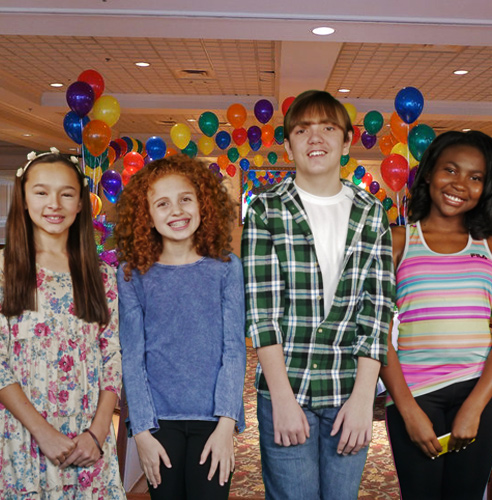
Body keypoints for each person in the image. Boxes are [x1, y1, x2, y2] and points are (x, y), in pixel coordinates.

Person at [241, 90, 395, 500]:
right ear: (288, 143)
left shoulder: (371, 211)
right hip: (286, 388)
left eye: (328, 128)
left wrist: (365, 399)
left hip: (349, 390)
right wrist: (282, 399)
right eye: (302, 129)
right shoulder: (266, 210)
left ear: (346, 142)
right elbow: (262, 314)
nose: (315, 138)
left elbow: (377, 309)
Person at [115, 155, 246, 500]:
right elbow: (132, 356)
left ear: (203, 204)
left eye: (185, 199)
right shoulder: (132, 274)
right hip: (158, 424)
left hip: (214, 420)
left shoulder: (227, 268)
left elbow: (234, 350)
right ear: (146, 214)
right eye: (162, 203)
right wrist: (141, 431)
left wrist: (226, 424)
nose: (176, 211)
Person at [380, 130, 492, 500]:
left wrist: (475, 407)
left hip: (479, 391)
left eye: (475, 177)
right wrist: (407, 409)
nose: (460, 184)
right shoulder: (397, 240)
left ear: (486, 187)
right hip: (414, 395)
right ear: (430, 172)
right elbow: (376, 333)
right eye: (451, 170)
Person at [0, 148, 125, 499]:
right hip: (23, 435)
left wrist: (98, 433)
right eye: (41, 192)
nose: (54, 203)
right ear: (23, 200)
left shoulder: (101, 275)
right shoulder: (4, 269)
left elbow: (112, 356)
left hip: (87, 437)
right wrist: (43, 433)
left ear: (81, 203)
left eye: (66, 193)